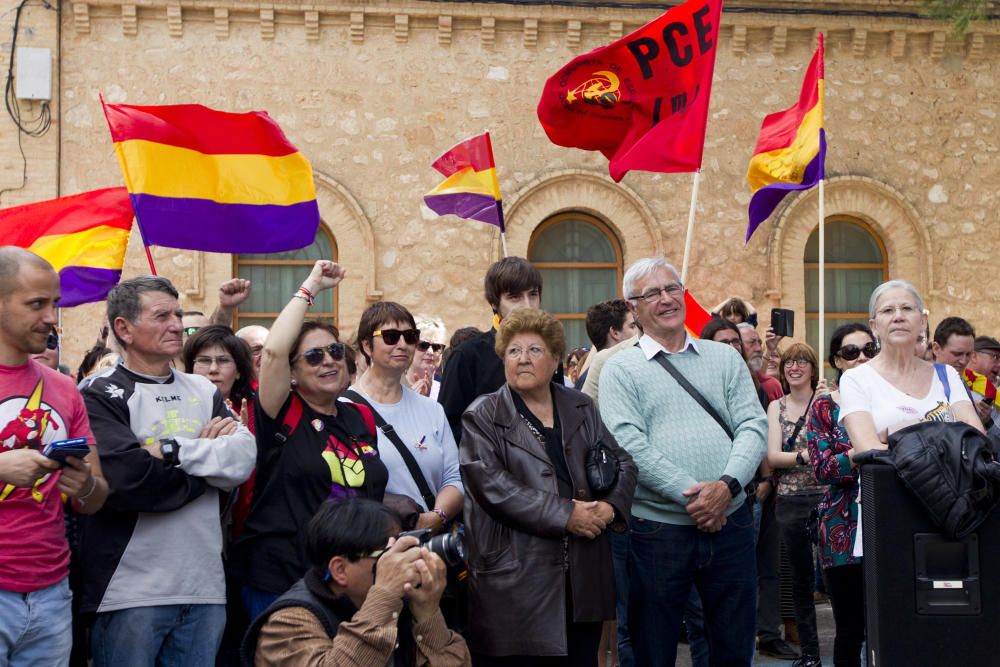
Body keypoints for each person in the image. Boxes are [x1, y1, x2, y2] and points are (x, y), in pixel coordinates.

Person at [78, 275, 256, 666]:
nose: (176, 324)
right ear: (123, 328)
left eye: (177, 314)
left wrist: (172, 450)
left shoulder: (202, 389)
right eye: (162, 316)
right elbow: (129, 482)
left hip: (204, 587)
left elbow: (242, 458)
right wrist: (208, 467)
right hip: (130, 593)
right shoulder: (98, 392)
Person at [599, 257, 767, 667]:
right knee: (652, 649)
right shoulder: (620, 369)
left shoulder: (724, 358)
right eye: (651, 293)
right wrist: (696, 497)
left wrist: (725, 487)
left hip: (731, 524)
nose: (666, 299)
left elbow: (753, 426)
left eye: (672, 288)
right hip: (659, 531)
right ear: (632, 307)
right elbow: (629, 445)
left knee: (733, 646)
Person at [461, 308, 637, 666]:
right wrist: (566, 514)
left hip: (583, 580)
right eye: (513, 351)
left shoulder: (581, 406)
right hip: (516, 584)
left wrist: (610, 507)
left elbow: (624, 462)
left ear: (556, 358)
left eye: (534, 350)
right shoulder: (484, 414)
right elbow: (492, 486)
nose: (522, 359)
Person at [234, 260, 388, 621]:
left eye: (335, 352)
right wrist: (312, 286)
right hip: (280, 580)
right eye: (314, 356)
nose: (328, 362)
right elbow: (272, 352)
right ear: (291, 373)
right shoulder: (281, 410)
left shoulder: (358, 416)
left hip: (347, 582)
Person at [0, 247, 109, 667]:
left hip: (51, 594)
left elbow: (96, 496)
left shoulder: (64, 389)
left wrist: (84, 485)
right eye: (36, 304)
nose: (51, 317)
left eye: (54, 303)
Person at [840, 281, 983, 561]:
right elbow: (868, 450)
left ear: (923, 320)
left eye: (907, 308)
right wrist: (946, 434)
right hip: (890, 509)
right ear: (874, 325)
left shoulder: (946, 376)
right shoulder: (856, 379)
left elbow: (976, 439)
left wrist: (896, 431)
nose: (898, 316)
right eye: (887, 310)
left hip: (952, 511)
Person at [243, 498, 471, 666]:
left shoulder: (402, 607)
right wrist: (383, 597)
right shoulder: (287, 623)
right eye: (387, 556)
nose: (401, 563)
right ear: (340, 569)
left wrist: (429, 615)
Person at [348, 302, 463, 532]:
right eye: (391, 336)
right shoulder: (345, 409)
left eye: (410, 337)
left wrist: (436, 517)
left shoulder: (432, 410)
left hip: (430, 541)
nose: (402, 345)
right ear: (367, 346)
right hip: (373, 539)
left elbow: (454, 477)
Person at [807, 323, 876, 667]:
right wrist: (863, 449)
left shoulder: (892, 399)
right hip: (842, 528)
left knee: (892, 623)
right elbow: (822, 468)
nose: (861, 357)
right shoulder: (823, 407)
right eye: (851, 352)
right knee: (850, 629)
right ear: (837, 360)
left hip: (891, 521)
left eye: (869, 350)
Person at [439, 256, 561, 443]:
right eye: (515, 297)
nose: (527, 305)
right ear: (494, 303)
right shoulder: (467, 356)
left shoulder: (549, 353)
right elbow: (448, 427)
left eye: (533, 295)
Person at [766, 343, 825, 667]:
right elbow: (773, 456)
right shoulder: (776, 407)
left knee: (835, 579)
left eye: (802, 361)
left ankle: (848, 648)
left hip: (827, 497)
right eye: (790, 362)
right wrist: (807, 456)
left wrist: (799, 459)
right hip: (790, 500)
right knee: (800, 580)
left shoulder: (830, 401)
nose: (795, 367)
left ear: (813, 368)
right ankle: (811, 653)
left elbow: (839, 446)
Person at [183, 325, 255, 416]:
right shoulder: (174, 407)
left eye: (223, 360)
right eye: (204, 360)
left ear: (238, 370)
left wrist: (243, 429)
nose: (213, 369)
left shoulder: (256, 411)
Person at [578, 299, 637, 390]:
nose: (638, 332)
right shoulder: (612, 376)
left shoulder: (584, 380)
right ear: (615, 332)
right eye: (632, 326)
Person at [739, 322, 784, 402]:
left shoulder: (772, 385)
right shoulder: (723, 382)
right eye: (752, 343)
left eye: (759, 343)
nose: (759, 349)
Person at [406, 314, 448, 399]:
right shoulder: (393, 387)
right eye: (423, 345)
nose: (431, 352)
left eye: (436, 347)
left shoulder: (447, 391)